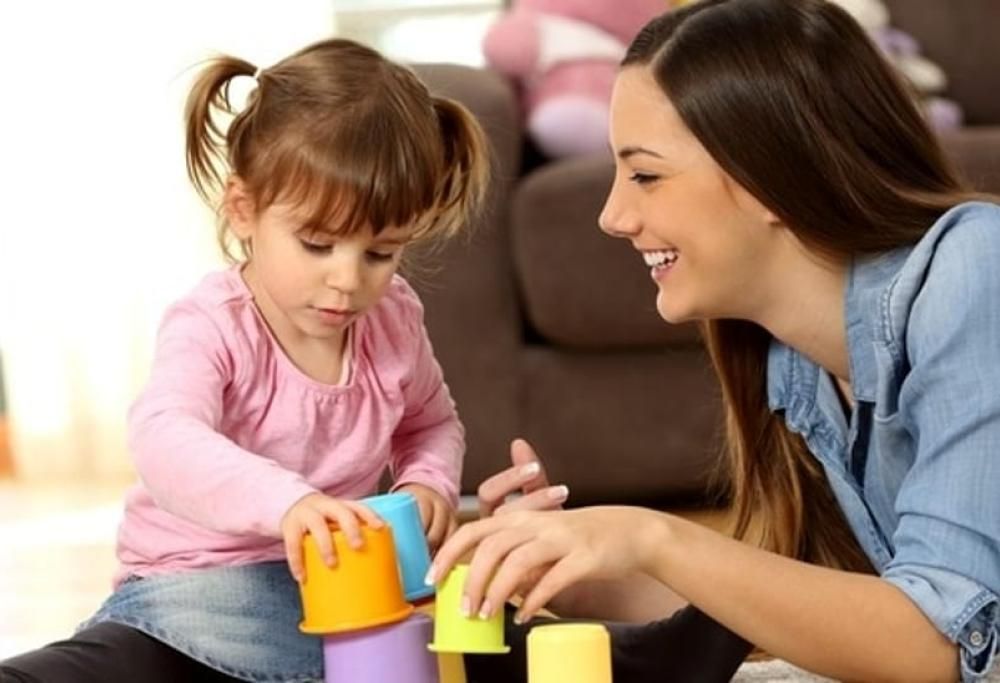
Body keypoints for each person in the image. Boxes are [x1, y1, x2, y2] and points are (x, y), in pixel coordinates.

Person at [431, 1, 1000, 682]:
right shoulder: (793, 359)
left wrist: (653, 534)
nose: (613, 216)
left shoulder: (975, 268)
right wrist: (579, 561)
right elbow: (801, 598)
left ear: (770, 174)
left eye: (645, 174)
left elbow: (940, 646)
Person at [1, 37, 488, 683]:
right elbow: (164, 436)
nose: (348, 279)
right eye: (317, 243)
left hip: (339, 591)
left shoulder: (393, 316)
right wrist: (288, 503)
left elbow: (430, 421)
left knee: (476, 639)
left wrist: (427, 481)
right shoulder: (214, 322)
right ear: (244, 209)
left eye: (381, 252)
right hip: (196, 589)